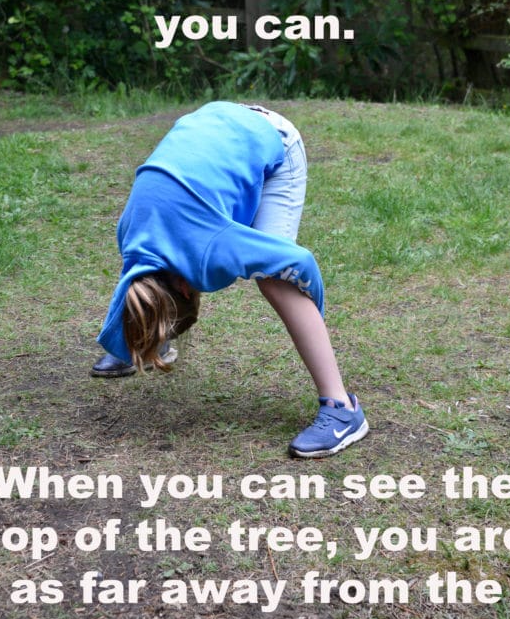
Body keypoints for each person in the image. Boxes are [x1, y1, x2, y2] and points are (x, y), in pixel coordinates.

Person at [93, 101, 368, 458]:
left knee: (276, 279)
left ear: (186, 287)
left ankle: (343, 410)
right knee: (146, 269)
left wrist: (311, 307)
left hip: (274, 139)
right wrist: (133, 339)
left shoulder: (212, 247)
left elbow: (298, 261)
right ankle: (145, 342)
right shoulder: (134, 236)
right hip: (217, 122)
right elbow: (139, 278)